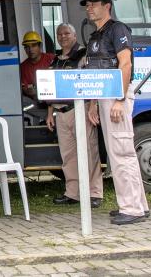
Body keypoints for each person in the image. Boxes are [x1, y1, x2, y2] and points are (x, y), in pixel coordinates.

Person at [81, 0, 150, 225]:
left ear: (107, 6)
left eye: (93, 4)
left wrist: (120, 99)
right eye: (87, 5)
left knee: (122, 152)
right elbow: (94, 73)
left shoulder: (117, 29)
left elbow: (125, 64)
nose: (89, 8)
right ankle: (139, 205)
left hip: (115, 96)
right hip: (103, 97)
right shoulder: (95, 35)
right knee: (117, 152)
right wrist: (93, 104)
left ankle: (132, 209)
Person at [47, 23, 103, 208]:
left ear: (74, 35)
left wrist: (93, 106)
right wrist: (50, 112)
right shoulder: (56, 60)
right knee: (68, 156)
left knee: (89, 152)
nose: (62, 37)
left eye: (66, 33)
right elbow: (51, 88)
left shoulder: (84, 55)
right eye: (59, 34)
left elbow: (92, 81)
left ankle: (94, 193)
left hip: (80, 109)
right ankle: (73, 193)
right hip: (61, 113)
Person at [19, 30, 55, 104]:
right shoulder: (23, 67)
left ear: (40, 46)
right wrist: (28, 91)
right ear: (25, 49)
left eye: (33, 45)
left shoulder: (52, 59)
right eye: (27, 47)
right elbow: (24, 87)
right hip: (35, 102)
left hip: (54, 99)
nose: (30, 50)